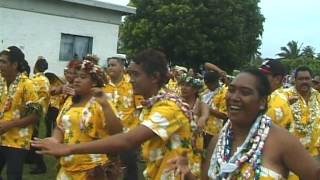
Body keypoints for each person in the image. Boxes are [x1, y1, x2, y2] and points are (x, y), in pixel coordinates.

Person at [32, 48, 194, 179]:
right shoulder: (153, 104)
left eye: (135, 74)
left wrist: (68, 149)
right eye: (130, 74)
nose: (130, 79)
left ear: (155, 77)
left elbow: (127, 140)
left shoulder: (169, 107)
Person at [166, 69, 320, 179]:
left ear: (261, 102)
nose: (234, 97)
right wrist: (187, 174)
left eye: (245, 92)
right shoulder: (218, 141)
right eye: (231, 90)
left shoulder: (282, 141)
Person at [39, 60, 122, 179]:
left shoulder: (101, 103)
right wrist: (54, 139)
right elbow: (61, 126)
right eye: (76, 76)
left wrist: (105, 105)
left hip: (92, 170)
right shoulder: (70, 101)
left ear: (94, 82)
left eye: (82, 77)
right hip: (67, 167)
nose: (76, 80)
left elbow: (117, 133)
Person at [0, 46, 41, 180]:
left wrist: (10, 124)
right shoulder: (0, 80)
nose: (0, 64)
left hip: (17, 141)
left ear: (15, 64)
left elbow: (35, 116)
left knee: (13, 176)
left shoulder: (27, 84)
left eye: (3, 62)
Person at [104, 56, 140, 180]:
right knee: (108, 170)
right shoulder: (102, 85)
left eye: (113, 65)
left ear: (122, 67)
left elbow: (140, 109)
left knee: (129, 171)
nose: (110, 67)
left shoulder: (132, 85)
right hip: (106, 136)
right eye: (108, 65)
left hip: (128, 136)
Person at [282, 66, 320, 157]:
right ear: (294, 80)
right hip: (290, 153)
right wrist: (286, 104)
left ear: (311, 80)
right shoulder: (284, 95)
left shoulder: (318, 96)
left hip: (314, 153)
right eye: (300, 79)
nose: (304, 82)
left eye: (307, 78)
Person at [179, 73, 209, 177]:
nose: (183, 88)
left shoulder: (201, 104)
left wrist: (202, 119)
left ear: (195, 90)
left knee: (193, 172)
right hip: (180, 142)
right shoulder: (177, 102)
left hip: (195, 144)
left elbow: (205, 114)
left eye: (187, 85)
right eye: (182, 85)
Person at [27, 57, 51, 174]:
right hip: (41, 111)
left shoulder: (35, 79)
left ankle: (41, 165)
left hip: (34, 112)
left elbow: (34, 97)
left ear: (36, 67)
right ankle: (31, 158)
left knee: (34, 138)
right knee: (32, 136)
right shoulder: (45, 79)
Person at [259, 59, 293, 129]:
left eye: (264, 75)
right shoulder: (259, 93)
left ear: (277, 79)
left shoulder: (280, 103)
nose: (258, 77)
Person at [201, 71, 228, 148]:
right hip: (201, 127)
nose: (206, 85)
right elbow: (207, 65)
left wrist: (206, 108)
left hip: (213, 132)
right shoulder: (206, 90)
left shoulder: (224, 93)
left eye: (207, 84)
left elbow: (224, 115)